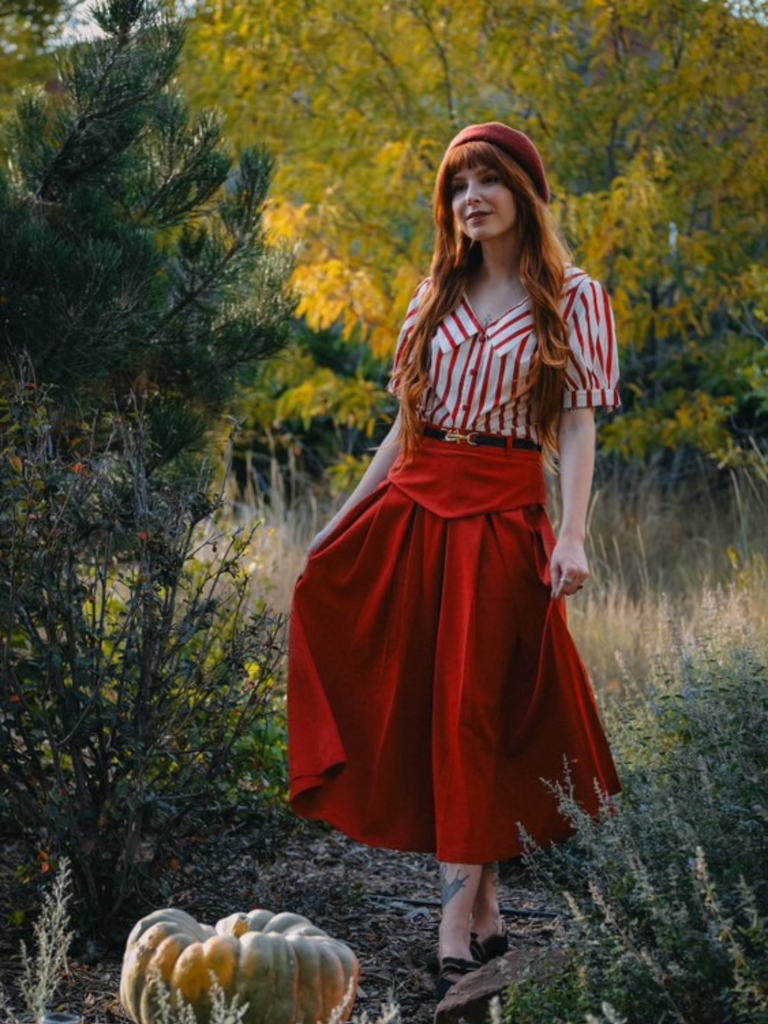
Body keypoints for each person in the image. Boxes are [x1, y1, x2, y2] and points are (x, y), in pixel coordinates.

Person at [287, 122, 621, 1001]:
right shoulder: (434, 291)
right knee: (437, 708)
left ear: (522, 190)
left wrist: (574, 532)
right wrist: (337, 522)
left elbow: (581, 421)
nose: (470, 198)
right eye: (457, 185)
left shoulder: (575, 296)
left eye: (487, 181)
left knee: (478, 709)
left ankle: (451, 926)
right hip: (415, 509)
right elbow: (403, 430)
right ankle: (484, 915)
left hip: (503, 516)